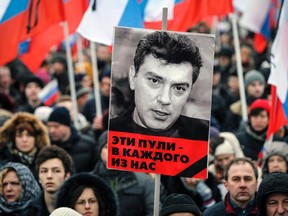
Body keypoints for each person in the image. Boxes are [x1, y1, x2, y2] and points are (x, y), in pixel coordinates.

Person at [109, 31, 209, 140]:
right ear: (133, 77)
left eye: (179, 88)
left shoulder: (201, 138)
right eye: (154, 81)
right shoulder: (110, 135)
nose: (165, 99)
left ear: (190, 91)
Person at [92, 130, 155, 216]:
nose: (112, 151)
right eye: (107, 147)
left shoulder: (143, 180)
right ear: (100, 151)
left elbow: (154, 210)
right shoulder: (90, 181)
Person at [22, 145, 73, 216]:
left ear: (67, 176)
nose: (49, 176)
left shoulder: (77, 207)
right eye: (44, 171)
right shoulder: (29, 212)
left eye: (56, 171)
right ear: (39, 177)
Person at [0, 112, 50, 180]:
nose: (24, 140)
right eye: (19, 136)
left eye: (29, 135)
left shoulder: (45, 162)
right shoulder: (3, 162)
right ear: (13, 139)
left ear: (37, 138)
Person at [47, 106, 97, 172]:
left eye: (56, 126)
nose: (52, 131)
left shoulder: (88, 145)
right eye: (49, 126)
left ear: (67, 126)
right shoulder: (47, 146)